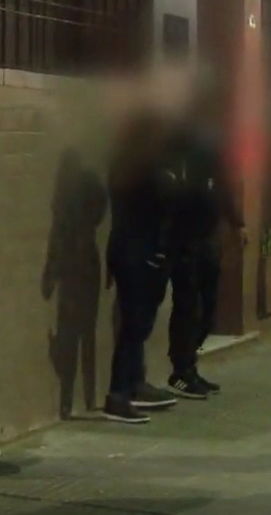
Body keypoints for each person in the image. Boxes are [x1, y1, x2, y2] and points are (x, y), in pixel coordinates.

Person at [161, 73, 242, 400]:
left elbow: (223, 184)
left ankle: (189, 362)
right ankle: (181, 370)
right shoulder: (178, 141)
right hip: (184, 237)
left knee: (208, 307)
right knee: (188, 305)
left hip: (208, 236)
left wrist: (237, 223)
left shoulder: (212, 140)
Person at [102, 101, 180, 423]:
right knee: (135, 323)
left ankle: (133, 383)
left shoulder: (130, 163)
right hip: (140, 252)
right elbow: (157, 206)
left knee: (138, 322)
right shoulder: (144, 167)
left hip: (130, 249)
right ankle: (119, 394)